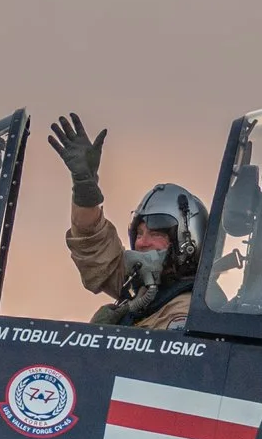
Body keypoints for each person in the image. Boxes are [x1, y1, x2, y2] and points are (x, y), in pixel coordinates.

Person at [47, 114, 206, 332]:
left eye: (156, 234)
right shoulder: (140, 289)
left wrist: (109, 336)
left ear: (187, 243)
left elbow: (160, 352)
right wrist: (84, 188)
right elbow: (93, 247)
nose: (142, 243)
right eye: (139, 233)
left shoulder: (191, 310)